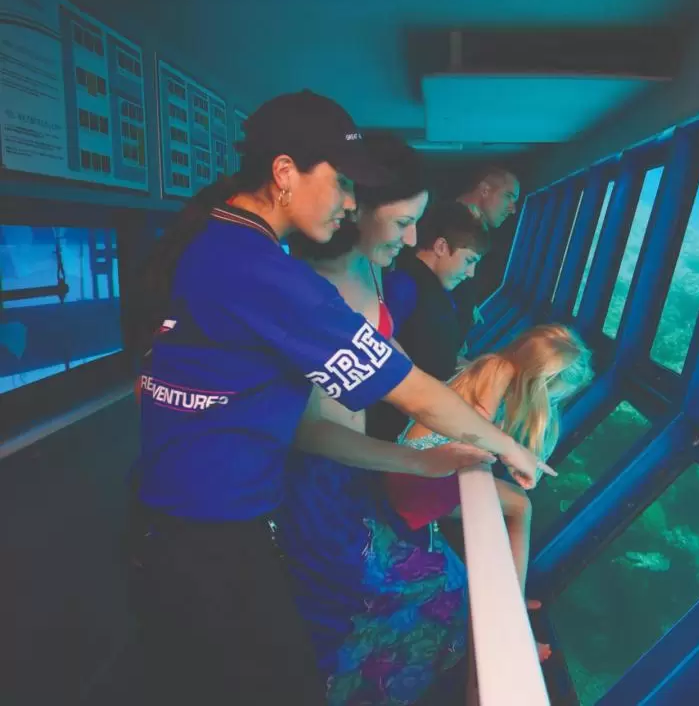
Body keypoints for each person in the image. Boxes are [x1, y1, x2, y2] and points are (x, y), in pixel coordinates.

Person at [126, 90, 551, 706]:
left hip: (186, 518)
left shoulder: (221, 244)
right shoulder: (266, 274)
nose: (352, 203)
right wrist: (509, 447)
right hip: (208, 530)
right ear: (283, 175)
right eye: (342, 183)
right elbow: (411, 393)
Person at [277, 145, 485, 706]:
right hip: (320, 486)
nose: (413, 240)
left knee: (445, 579)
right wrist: (421, 458)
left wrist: (457, 412)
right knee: (431, 586)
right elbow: (312, 432)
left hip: (359, 467)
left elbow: (395, 364)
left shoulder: (371, 266)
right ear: (353, 207)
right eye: (403, 222)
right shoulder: (307, 290)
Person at [384, 325, 593, 667]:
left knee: (515, 505)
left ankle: (511, 592)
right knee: (520, 506)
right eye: (553, 396)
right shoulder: (499, 369)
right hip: (418, 477)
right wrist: (510, 454)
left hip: (416, 471)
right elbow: (475, 425)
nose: (552, 404)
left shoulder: (495, 365)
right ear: (538, 381)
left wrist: (507, 456)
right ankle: (511, 610)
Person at [366, 201, 491, 442]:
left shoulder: (438, 291)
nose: (470, 273)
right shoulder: (402, 286)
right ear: (442, 246)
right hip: (387, 425)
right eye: (469, 260)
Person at [451, 166, 520, 338]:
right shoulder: (448, 224)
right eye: (508, 196)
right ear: (484, 190)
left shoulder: (478, 231)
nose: (513, 209)